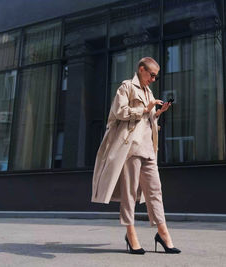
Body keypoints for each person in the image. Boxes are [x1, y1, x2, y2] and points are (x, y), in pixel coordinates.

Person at [91, 57, 181, 255]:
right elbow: (120, 112)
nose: (154, 79)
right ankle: (131, 234)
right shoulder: (126, 87)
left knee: (155, 192)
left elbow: (144, 119)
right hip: (131, 147)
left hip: (149, 148)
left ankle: (163, 233)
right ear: (141, 70)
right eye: (152, 75)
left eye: (156, 76)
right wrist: (146, 108)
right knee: (130, 193)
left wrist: (157, 113)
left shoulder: (148, 91)